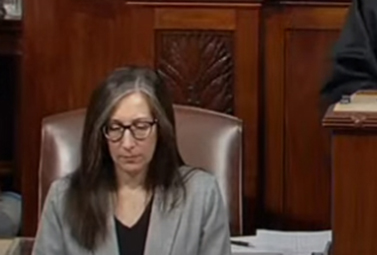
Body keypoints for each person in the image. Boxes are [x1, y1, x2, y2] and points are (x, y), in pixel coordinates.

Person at [34, 66, 231, 255]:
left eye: (140, 126)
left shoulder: (201, 195)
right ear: (100, 133)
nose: (127, 143)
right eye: (115, 127)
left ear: (161, 128)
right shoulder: (63, 199)